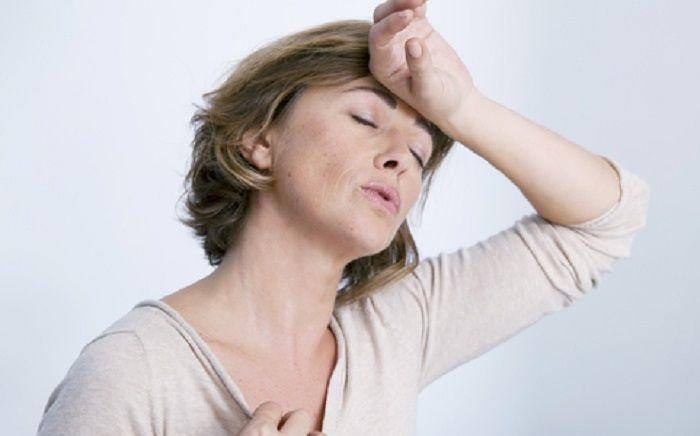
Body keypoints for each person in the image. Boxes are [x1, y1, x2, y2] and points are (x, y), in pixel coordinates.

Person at [36, 0, 651, 435]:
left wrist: (463, 108)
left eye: (420, 154)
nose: (401, 159)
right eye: (365, 118)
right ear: (260, 139)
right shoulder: (131, 372)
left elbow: (604, 221)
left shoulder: (396, 328)